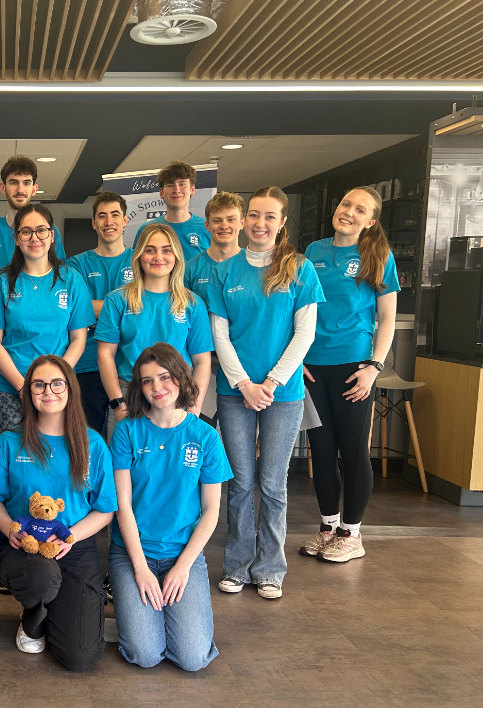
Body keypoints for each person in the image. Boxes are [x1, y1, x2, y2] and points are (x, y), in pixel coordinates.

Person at [208, 186, 325, 600]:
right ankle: (237, 567)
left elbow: (305, 333)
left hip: (284, 393)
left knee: (273, 484)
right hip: (234, 390)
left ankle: (270, 569)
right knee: (240, 483)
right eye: (253, 215)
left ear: (282, 222)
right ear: (243, 220)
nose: (260, 224)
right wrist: (244, 384)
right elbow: (219, 335)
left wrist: (270, 383)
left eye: (269, 216)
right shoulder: (224, 271)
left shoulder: (300, 269)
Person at [0, 355, 116, 671]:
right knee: (41, 578)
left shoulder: (92, 444)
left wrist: (71, 538)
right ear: (28, 392)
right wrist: (11, 530)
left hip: (74, 543)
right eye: (39, 384)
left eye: (57, 383)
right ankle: (34, 613)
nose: (49, 391)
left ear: (70, 389)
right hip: (22, 548)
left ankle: (58, 606)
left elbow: (105, 510)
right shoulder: (9, 441)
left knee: (80, 657)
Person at [109, 344, 232, 671]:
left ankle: (167, 617)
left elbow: (211, 512)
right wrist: (139, 568)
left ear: (181, 377)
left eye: (164, 377)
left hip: (183, 554)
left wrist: (183, 567)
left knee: (193, 659)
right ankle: (131, 612)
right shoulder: (126, 432)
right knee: (145, 655)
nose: (157, 388)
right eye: (147, 381)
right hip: (132, 553)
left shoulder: (205, 436)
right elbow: (122, 506)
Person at [302, 186, 399, 563]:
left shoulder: (378, 255)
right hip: (313, 368)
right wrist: (299, 359)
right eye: (345, 205)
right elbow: (303, 308)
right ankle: (328, 527)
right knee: (322, 452)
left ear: (370, 221)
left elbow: (387, 317)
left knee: (353, 452)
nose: (349, 212)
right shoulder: (314, 252)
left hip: (353, 368)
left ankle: (352, 533)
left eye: (360, 210)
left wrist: (373, 368)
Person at [0, 203, 95, 451]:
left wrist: (57, 381)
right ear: (16, 238)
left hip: (58, 389)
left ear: (52, 235)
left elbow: (79, 339)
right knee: (10, 461)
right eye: (26, 231)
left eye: (41, 230)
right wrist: (24, 386)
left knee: (56, 458)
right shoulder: (1, 284)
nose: (34, 238)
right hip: (9, 388)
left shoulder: (71, 280)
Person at [96, 223, 212, 436]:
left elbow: (202, 361)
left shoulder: (193, 304)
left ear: (176, 256)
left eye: (166, 250)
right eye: (150, 250)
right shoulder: (117, 300)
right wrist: (118, 404)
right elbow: (105, 354)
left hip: (177, 396)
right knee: (124, 464)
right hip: (129, 394)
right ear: (139, 255)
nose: (159, 257)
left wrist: (193, 409)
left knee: (174, 465)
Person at [66, 192, 134, 435]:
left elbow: (145, 306)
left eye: (115, 215)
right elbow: (77, 308)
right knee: (87, 438)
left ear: (125, 220)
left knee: (127, 440)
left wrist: (96, 308)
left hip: (128, 363)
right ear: (94, 223)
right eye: (102, 216)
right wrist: (124, 307)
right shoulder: (76, 265)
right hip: (88, 362)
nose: (109, 222)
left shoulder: (139, 260)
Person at [0, 156, 66, 280]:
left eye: (26, 183)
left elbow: (58, 276)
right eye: (13, 182)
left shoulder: (48, 231)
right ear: (3, 187)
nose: (20, 189)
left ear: (34, 189)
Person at [132, 161, 210, 260]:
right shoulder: (146, 229)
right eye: (170, 185)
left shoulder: (207, 228)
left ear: (192, 189)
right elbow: (136, 268)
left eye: (182, 184)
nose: (176, 190)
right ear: (161, 193)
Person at [184, 192, 246, 309]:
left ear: (242, 223)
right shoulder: (189, 270)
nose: (224, 226)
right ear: (207, 225)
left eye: (231, 220)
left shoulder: (254, 266)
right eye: (217, 221)